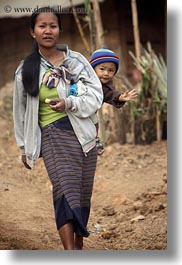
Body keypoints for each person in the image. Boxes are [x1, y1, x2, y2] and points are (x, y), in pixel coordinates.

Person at [13, 7, 103, 250]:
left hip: (85, 135)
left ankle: (78, 247)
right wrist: (24, 146)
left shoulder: (77, 62)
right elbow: (19, 112)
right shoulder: (26, 70)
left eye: (53, 25)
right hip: (52, 135)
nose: (48, 30)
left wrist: (69, 102)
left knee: (83, 191)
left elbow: (96, 95)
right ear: (32, 32)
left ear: (59, 30)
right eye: (42, 26)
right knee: (65, 188)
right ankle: (69, 252)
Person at [90, 48, 138, 154]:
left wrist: (121, 97)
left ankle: (93, 142)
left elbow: (111, 94)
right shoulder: (83, 81)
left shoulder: (104, 88)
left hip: (89, 119)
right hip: (72, 115)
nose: (106, 73)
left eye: (111, 70)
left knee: (92, 126)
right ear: (92, 69)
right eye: (102, 69)